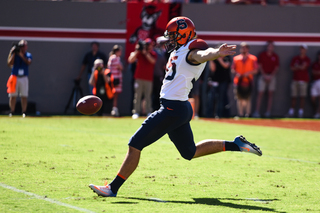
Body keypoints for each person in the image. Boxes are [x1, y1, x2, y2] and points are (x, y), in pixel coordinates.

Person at [89, 16, 262, 197]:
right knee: (190, 152)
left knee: (135, 144)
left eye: (173, 35)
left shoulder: (192, 51)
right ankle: (237, 145)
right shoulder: (180, 50)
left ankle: (112, 188)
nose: (170, 39)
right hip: (180, 108)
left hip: (173, 109)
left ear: (184, 35)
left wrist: (217, 53)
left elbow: (202, 55)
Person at [128, 38, 157, 119]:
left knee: (148, 96)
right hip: (139, 77)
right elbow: (130, 60)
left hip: (148, 78)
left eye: (149, 45)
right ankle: (136, 112)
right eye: (146, 45)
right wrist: (137, 50)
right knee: (137, 95)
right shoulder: (139, 53)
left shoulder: (153, 53)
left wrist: (145, 53)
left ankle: (148, 111)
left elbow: (153, 61)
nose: (148, 46)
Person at [252, 41, 279, 118]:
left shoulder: (275, 56)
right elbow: (259, 66)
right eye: (269, 46)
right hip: (262, 76)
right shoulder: (262, 55)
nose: (270, 48)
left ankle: (268, 112)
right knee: (260, 93)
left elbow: (276, 68)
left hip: (271, 76)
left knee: (270, 94)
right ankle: (257, 111)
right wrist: (264, 75)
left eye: (271, 46)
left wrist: (271, 76)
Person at [231, 42, 258, 117]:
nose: (243, 49)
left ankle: (247, 114)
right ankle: (240, 114)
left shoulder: (253, 58)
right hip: (238, 82)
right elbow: (232, 69)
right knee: (239, 98)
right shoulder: (236, 58)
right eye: (242, 48)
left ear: (248, 49)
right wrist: (237, 74)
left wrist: (248, 73)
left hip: (248, 81)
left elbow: (256, 70)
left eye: (245, 48)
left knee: (248, 98)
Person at [6, 40, 32, 117]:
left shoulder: (28, 55)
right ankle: (12, 111)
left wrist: (21, 55)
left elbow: (28, 62)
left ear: (26, 47)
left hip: (23, 77)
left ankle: (24, 112)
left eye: (23, 46)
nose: (21, 48)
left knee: (24, 95)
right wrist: (12, 53)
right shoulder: (15, 54)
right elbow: (9, 64)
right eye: (20, 46)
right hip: (14, 76)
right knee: (12, 95)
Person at [286, 44, 310, 118]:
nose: (302, 50)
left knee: (302, 97)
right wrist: (299, 67)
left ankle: (300, 112)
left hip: (303, 80)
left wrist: (297, 66)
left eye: (303, 49)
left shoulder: (307, 59)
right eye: (301, 49)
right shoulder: (295, 58)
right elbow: (292, 68)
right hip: (295, 79)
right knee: (293, 96)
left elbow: (304, 67)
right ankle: (291, 112)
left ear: (305, 50)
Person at [206, 52, 232, 118]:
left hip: (223, 81)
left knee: (221, 98)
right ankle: (209, 115)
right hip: (214, 81)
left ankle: (219, 115)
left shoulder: (227, 57)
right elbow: (212, 69)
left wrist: (219, 59)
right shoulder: (214, 58)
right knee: (211, 98)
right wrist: (211, 59)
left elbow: (226, 66)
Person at [152, 36, 168, 111]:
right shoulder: (154, 52)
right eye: (163, 43)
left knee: (160, 93)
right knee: (154, 94)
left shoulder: (165, 52)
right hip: (154, 75)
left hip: (162, 75)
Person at [108, 45, 123, 117]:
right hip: (115, 79)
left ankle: (114, 109)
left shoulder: (111, 58)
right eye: (120, 51)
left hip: (113, 78)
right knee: (115, 95)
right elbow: (121, 67)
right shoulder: (116, 58)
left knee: (114, 95)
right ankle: (114, 110)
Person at [310, 51, 320, 119]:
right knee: (313, 98)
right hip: (314, 81)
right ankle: (316, 110)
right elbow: (313, 72)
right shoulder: (315, 64)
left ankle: (318, 113)